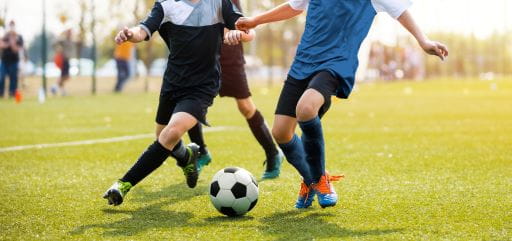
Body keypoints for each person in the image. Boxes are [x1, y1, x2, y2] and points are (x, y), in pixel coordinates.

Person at [233, 0, 448, 208]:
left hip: (336, 63)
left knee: (306, 109)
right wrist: (255, 21)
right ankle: (312, 178)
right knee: (280, 132)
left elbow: (400, 11)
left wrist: (423, 40)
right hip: (304, 62)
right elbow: (294, 6)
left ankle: (319, 180)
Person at [103, 0, 254, 206]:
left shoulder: (219, 3)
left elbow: (248, 31)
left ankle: (123, 184)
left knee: (171, 133)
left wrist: (238, 34)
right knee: (162, 136)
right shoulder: (166, 5)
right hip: (173, 83)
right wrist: (130, 34)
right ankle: (186, 157)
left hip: (203, 86)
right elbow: (143, 30)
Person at [189, 0, 283, 180]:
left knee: (246, 107)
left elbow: (246, 29)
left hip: (229, 57)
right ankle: (201, 152)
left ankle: (273, 152)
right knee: (192, 104)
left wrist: (236, 33)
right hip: (202, 59)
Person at [0, 20, 24, 98]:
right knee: (2, 76)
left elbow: (16, 49)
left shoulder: (19, 37)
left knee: (13, 78)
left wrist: (12, 41)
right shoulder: (5, 36)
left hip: (14, 61)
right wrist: (8, 43)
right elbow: (1, 45)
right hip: (4, 61)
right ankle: (1, 93)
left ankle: (12, 93)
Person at [51, 29, 74, 96]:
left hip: (67, 60)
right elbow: (54, 43)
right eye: (69, 33)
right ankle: (54, 87)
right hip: (63, 60)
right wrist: (58, 50)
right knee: (65, 76)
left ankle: (62, 91)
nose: (70, 34)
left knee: (64, 76)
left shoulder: (71, 40)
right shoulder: (63, 40)